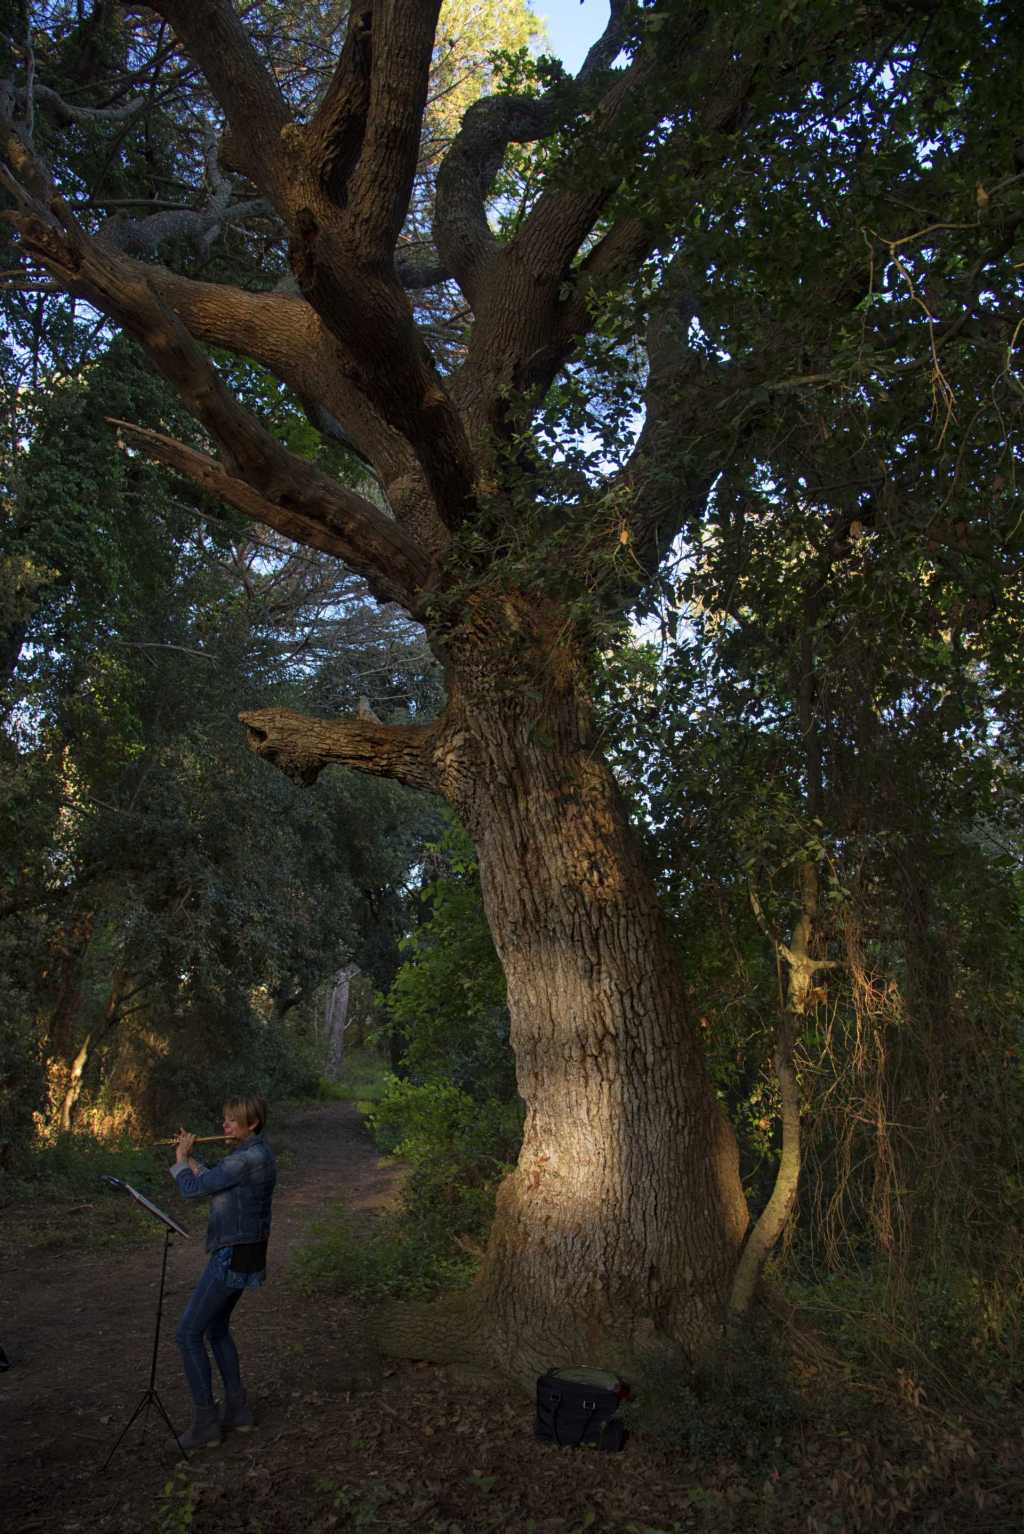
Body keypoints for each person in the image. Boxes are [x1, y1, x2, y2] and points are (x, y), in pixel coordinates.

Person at [168, 1092, 277, 1450]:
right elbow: (215, 1179)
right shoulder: (253, 1155)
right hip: (244, 1250)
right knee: (216, 1330)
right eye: (225, 1119)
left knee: (187, 1333)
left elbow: (192, 1189)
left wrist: (182, 1160)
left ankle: (205, 1424)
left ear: (252, 1124)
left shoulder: (247, 1158)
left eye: (232, 1120)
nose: (224, 1125)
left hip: (232, 1253)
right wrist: (193, 1159)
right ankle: (238, 1412)